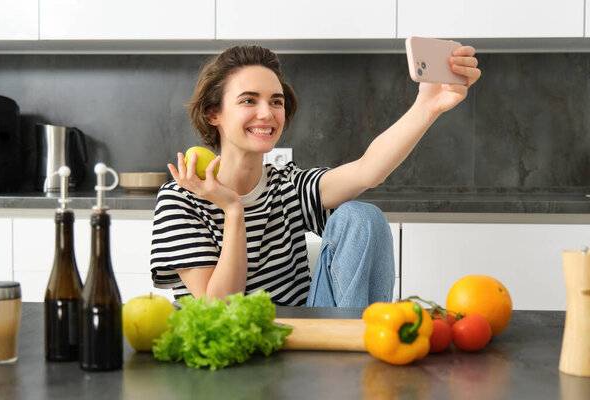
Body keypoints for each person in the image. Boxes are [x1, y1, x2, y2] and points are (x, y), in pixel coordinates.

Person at [150, 45, 481, 307]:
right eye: (248, 100)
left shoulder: (286, 185)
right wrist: (233, 209)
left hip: (303, 336)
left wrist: (427, 107)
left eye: (275, 101)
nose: (266, 113)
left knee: (361, 215)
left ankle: (355, 342)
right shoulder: (181, 198)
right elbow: (218, 308)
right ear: (214, 113)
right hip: (225, 351)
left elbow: (368, 171)